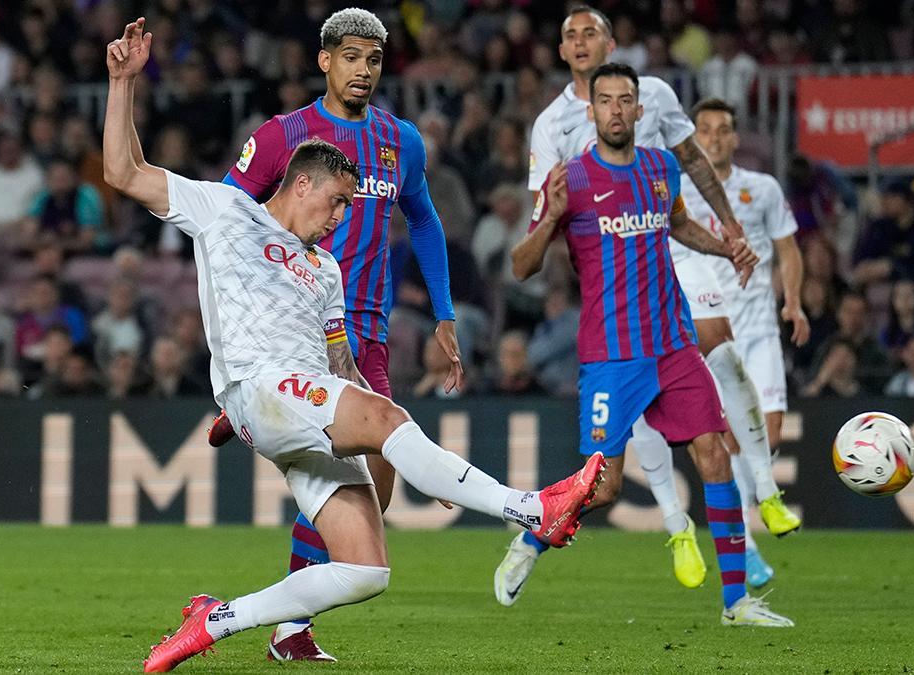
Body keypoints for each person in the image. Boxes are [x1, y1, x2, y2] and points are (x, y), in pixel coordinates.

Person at [102, 19, 605, 673]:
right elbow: (123, 169)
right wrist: (121, 83)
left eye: (353, 204)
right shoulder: (226, 210)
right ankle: (532, 507)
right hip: (260, 385)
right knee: (388, 424)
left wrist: (413, 451)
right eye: (337, 203)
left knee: (366, 568)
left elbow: (342, 365)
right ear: (300, 183)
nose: (344, 219)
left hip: (300, 395)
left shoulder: (325, 269)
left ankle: (218, 620)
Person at [209, 9, 465, 660]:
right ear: (325, 60)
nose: (363, 69)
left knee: (367, 492)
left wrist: (443, 312)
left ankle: (289, 627)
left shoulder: (400, 140)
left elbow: (426, 221)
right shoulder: (284, 135)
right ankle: (289, 629)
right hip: (296, 331)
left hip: (363, 333)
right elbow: (225, 220)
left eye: (374, 59)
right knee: (366, 481)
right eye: (351, 56)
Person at [519, 5, 801, 594]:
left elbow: (692, 159)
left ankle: (763, 500)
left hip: (669, 243)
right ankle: (677, 525)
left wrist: (730, 231)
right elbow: (544, 215)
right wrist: (554, 228)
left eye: (589, 31)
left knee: (716, 346)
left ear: (611, 42)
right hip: (612, 267)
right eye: (568, 34)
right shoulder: (554, 128)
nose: (578, 42)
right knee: (618, 460)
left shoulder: (657, 102)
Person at [677, 97, 811, 586]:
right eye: (705, 130)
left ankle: (749, 527)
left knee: (768, 437)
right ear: (693, 138)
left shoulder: (763, 189)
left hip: (759, 331)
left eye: (723, 129)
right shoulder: (680, 191)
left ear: (736, 137)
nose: (714, 137)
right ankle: (747, 546)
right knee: (728, 441)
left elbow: (788, 249)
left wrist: (792, 301)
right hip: (709, 334)